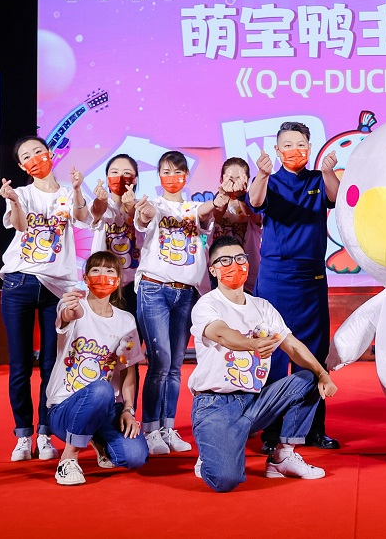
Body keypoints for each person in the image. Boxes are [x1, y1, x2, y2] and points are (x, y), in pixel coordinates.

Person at [189, 236, 337, 492]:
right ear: (213, 270)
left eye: (240, 259)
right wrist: (252, 344)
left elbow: (293, 346)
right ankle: (211, 449)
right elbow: (222, 334)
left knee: (309, 377)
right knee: (225, 480)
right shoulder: (207, 304)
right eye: (225, 261)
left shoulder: (262, 307)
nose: (234, 265)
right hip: (215, 404)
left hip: (254, 401)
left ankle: (283, 456)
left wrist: (323, 374)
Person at [249, 121, 341, 452]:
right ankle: (271, 432)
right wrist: (261, 174)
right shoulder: (269, 181)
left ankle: (312, 429)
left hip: (311, 276)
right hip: (275, 277)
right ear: (277, 150)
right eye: (287, 145)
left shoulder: (318, 179)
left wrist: (328, 171)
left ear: (310, 147)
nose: (294, 150)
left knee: (313, 353)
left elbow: (335, 197)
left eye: (300, 144)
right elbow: (255, 201)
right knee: (273, 353)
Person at [0, 135, 90, 462]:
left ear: (49, 154)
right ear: (22, 166)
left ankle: (45, 433)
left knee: (51, 365)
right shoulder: (22, 194)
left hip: (57, 289)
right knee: (20, 365)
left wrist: (77, 189)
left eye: (38, 151)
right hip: (19, 282)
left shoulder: (66, 192)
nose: (34, 158)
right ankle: (23, 435)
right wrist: (13, 200)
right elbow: (21, 226)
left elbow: (81, 218)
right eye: (27, 156)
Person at [133, 150, 226, 456]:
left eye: (177, 172)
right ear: (158, 176)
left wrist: (222, 196)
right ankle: (150, 429)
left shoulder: (192, 208)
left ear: (186, 176)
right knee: (159, 362)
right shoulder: (154, 204)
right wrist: (145, 211)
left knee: (174, 366)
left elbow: (206, 210)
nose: (172, 177)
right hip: (154, 290)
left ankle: (167, 427)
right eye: (166, 172)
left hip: (185, 293)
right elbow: (145, 218)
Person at [46, 251, 147, 485]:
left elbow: (127, 369)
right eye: (96, 270)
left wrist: (128, 409)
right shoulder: (73, 306)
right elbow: (69, 315)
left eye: (109, 271)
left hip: (106, 408)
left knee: (135, 457)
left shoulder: (126, 320)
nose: (103, 275)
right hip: (65, 406)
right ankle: (68, 459)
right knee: (101, 388)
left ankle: (96, 439)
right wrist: (71, 308)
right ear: (86, 277)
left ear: (118, 280)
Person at [90, 153, 141, 316]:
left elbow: (144, 223)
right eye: (114, 172)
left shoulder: (143, 207)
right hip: (104, 281)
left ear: (135, 179)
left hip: (136, 283)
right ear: (107, 178)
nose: (120, 177)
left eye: (126, 173)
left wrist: (131, 207)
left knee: (134, 330)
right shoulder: (100, 205)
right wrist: (101, 201)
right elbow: (96, 213)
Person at [210, 157, 262, 294]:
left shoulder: (255, 204)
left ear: (247, 180)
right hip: (220, 274)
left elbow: (254, 216)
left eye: (239, 178)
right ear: (221, 180)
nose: (234, 183)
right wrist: (225, 195)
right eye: (230, 179)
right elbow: (216, 216)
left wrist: (241, 196)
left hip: (250, 277)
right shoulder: (213, 205)